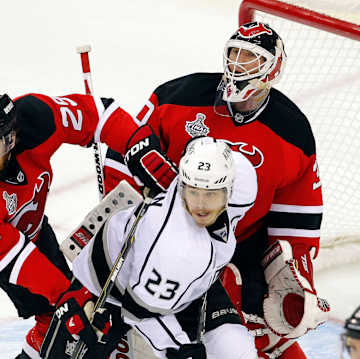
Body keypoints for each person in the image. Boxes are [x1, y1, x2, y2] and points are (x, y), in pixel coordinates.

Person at [101, 21, 330, 358]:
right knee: (131, 324)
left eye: (251, 58)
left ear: (273, 69)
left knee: (264, 338)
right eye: (234, 54)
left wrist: (294, 275)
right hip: (167, 230)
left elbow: (297, 215)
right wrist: (126, 216)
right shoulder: (177, 97)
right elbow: (127, 149)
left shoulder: (292, 132)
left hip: (242, 245)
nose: (238, 65)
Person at [0, 90, 177, 359]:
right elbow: (18, 262)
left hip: (23, 226)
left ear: (10, 139)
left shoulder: (37, 117)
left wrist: (136, 142)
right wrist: (65, 293)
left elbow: (97, 114)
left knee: (60, 323)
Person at [39, 136, 259, 359]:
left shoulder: (243, 177)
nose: (201, 205)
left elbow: (201, 145)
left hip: (193, 285)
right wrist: (179, 349)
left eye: (211, 194)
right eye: (194, 192)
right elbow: (140, 313)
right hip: (112, 288)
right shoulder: (177, 246)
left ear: (230, 188)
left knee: (238, 353)